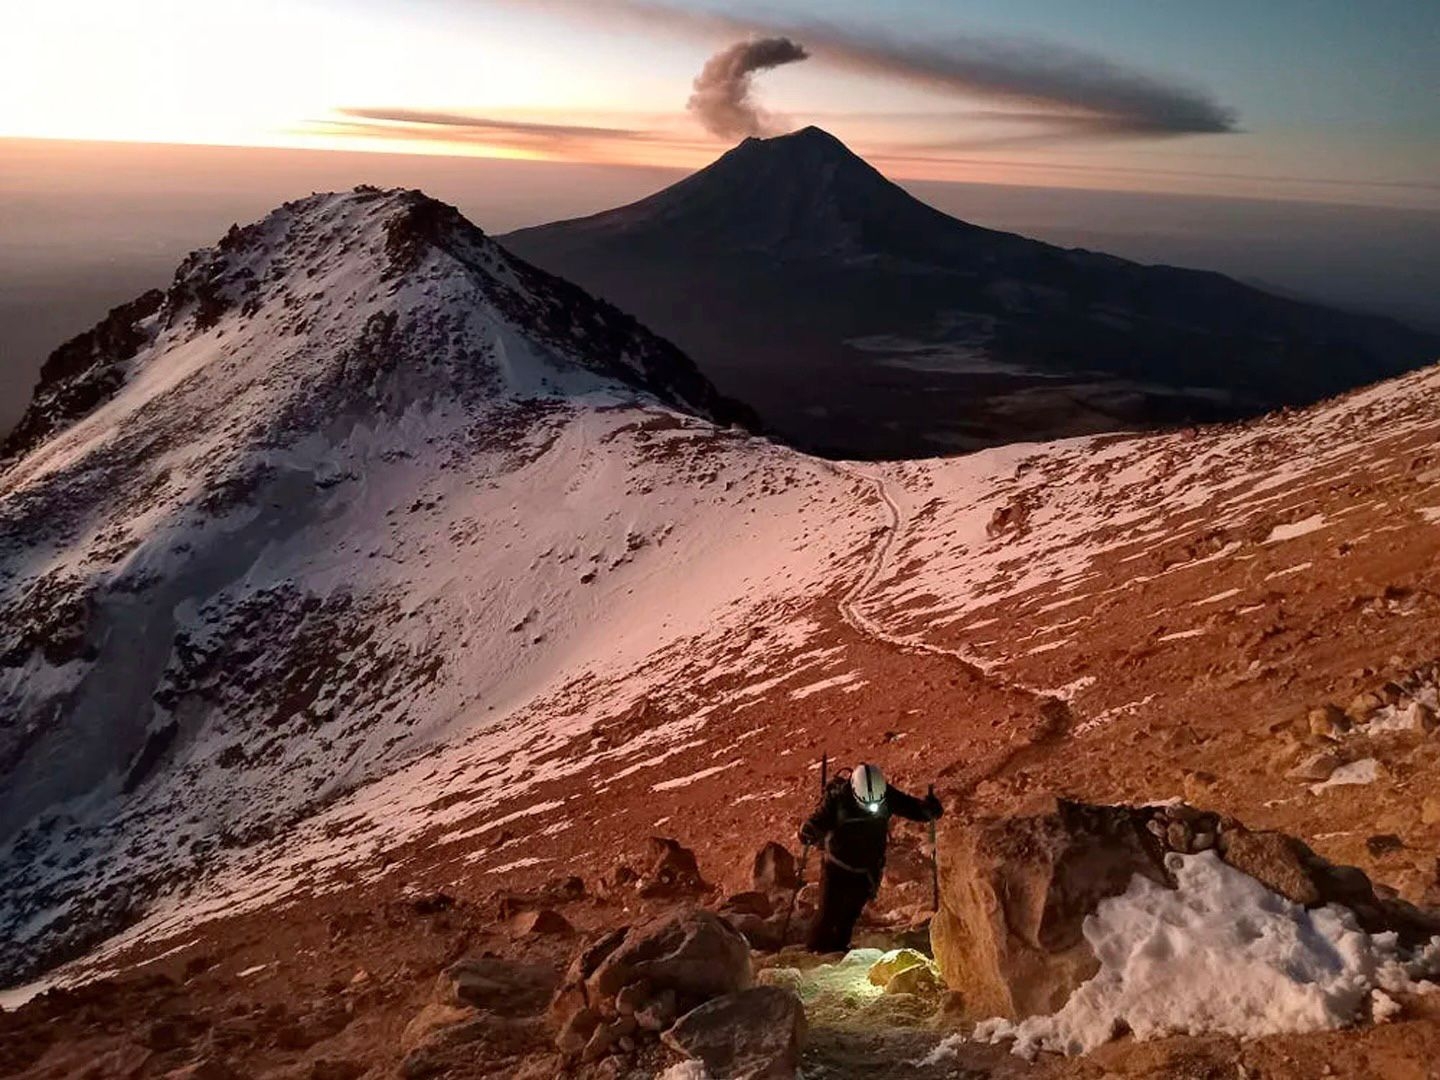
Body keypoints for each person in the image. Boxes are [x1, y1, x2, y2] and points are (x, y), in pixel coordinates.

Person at [799, 762, 942, 952]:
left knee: (850, 915)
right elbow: (816, 821)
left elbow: (912, 808)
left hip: (866, 868)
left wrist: (928, 810)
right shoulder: (838, 798)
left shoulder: (885, 795)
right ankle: (816, 951)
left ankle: (839, 951)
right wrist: (809, 831)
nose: (871, 806)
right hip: (837, 867)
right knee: (827, 914)